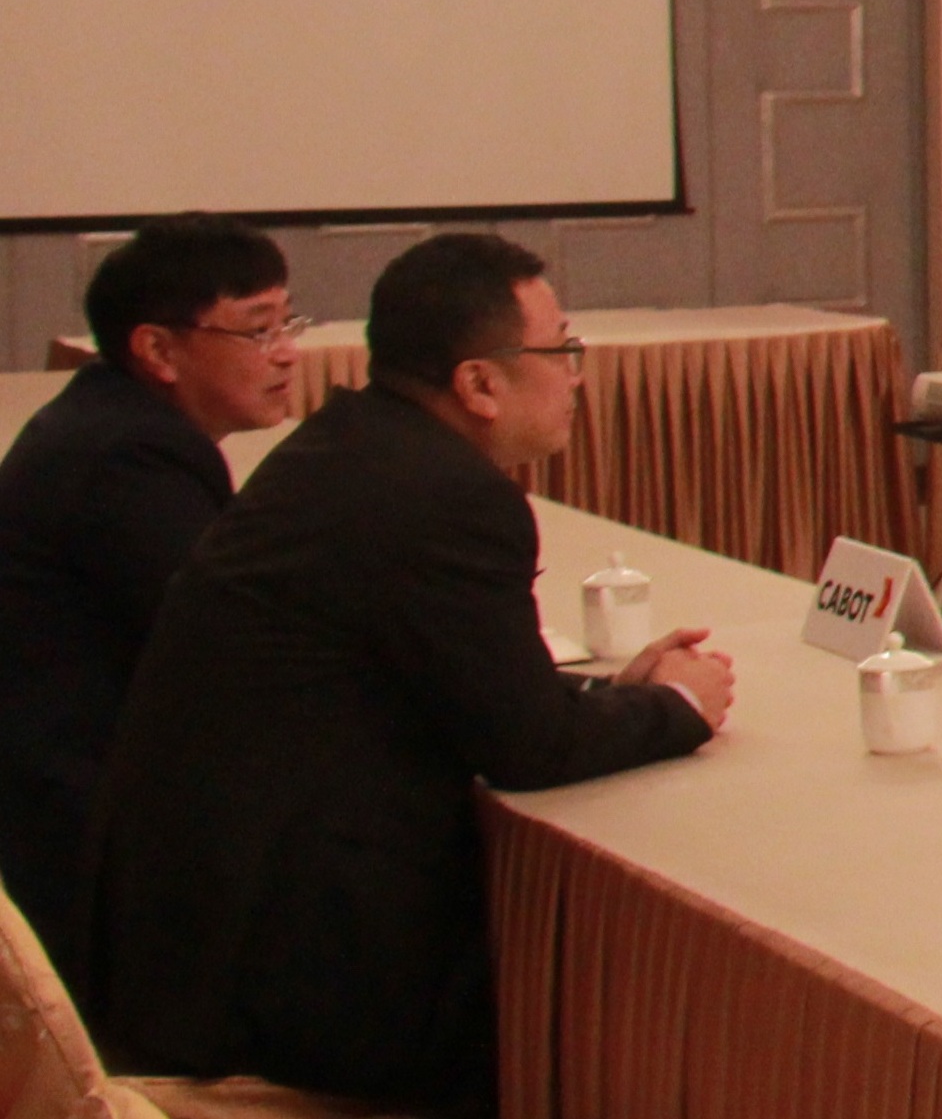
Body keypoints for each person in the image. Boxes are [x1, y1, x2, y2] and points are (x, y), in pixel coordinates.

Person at [87, 233, 733, 1114]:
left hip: (185, 936)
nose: (577, 377)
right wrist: (681, 707)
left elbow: (454, 682)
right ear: (478, 383)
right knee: (559, 1030)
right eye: (562, 351)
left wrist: (618, 694)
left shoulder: (350, 444)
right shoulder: (448, 495)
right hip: (279, 981)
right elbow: (529, 746)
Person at [0, 215, 299, 989]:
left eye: (288, 323)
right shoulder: (130, 457)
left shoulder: (112, 420)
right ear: (159, 350)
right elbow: (229, 649)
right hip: (76, 837)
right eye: (258, 330)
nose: (287, 352)